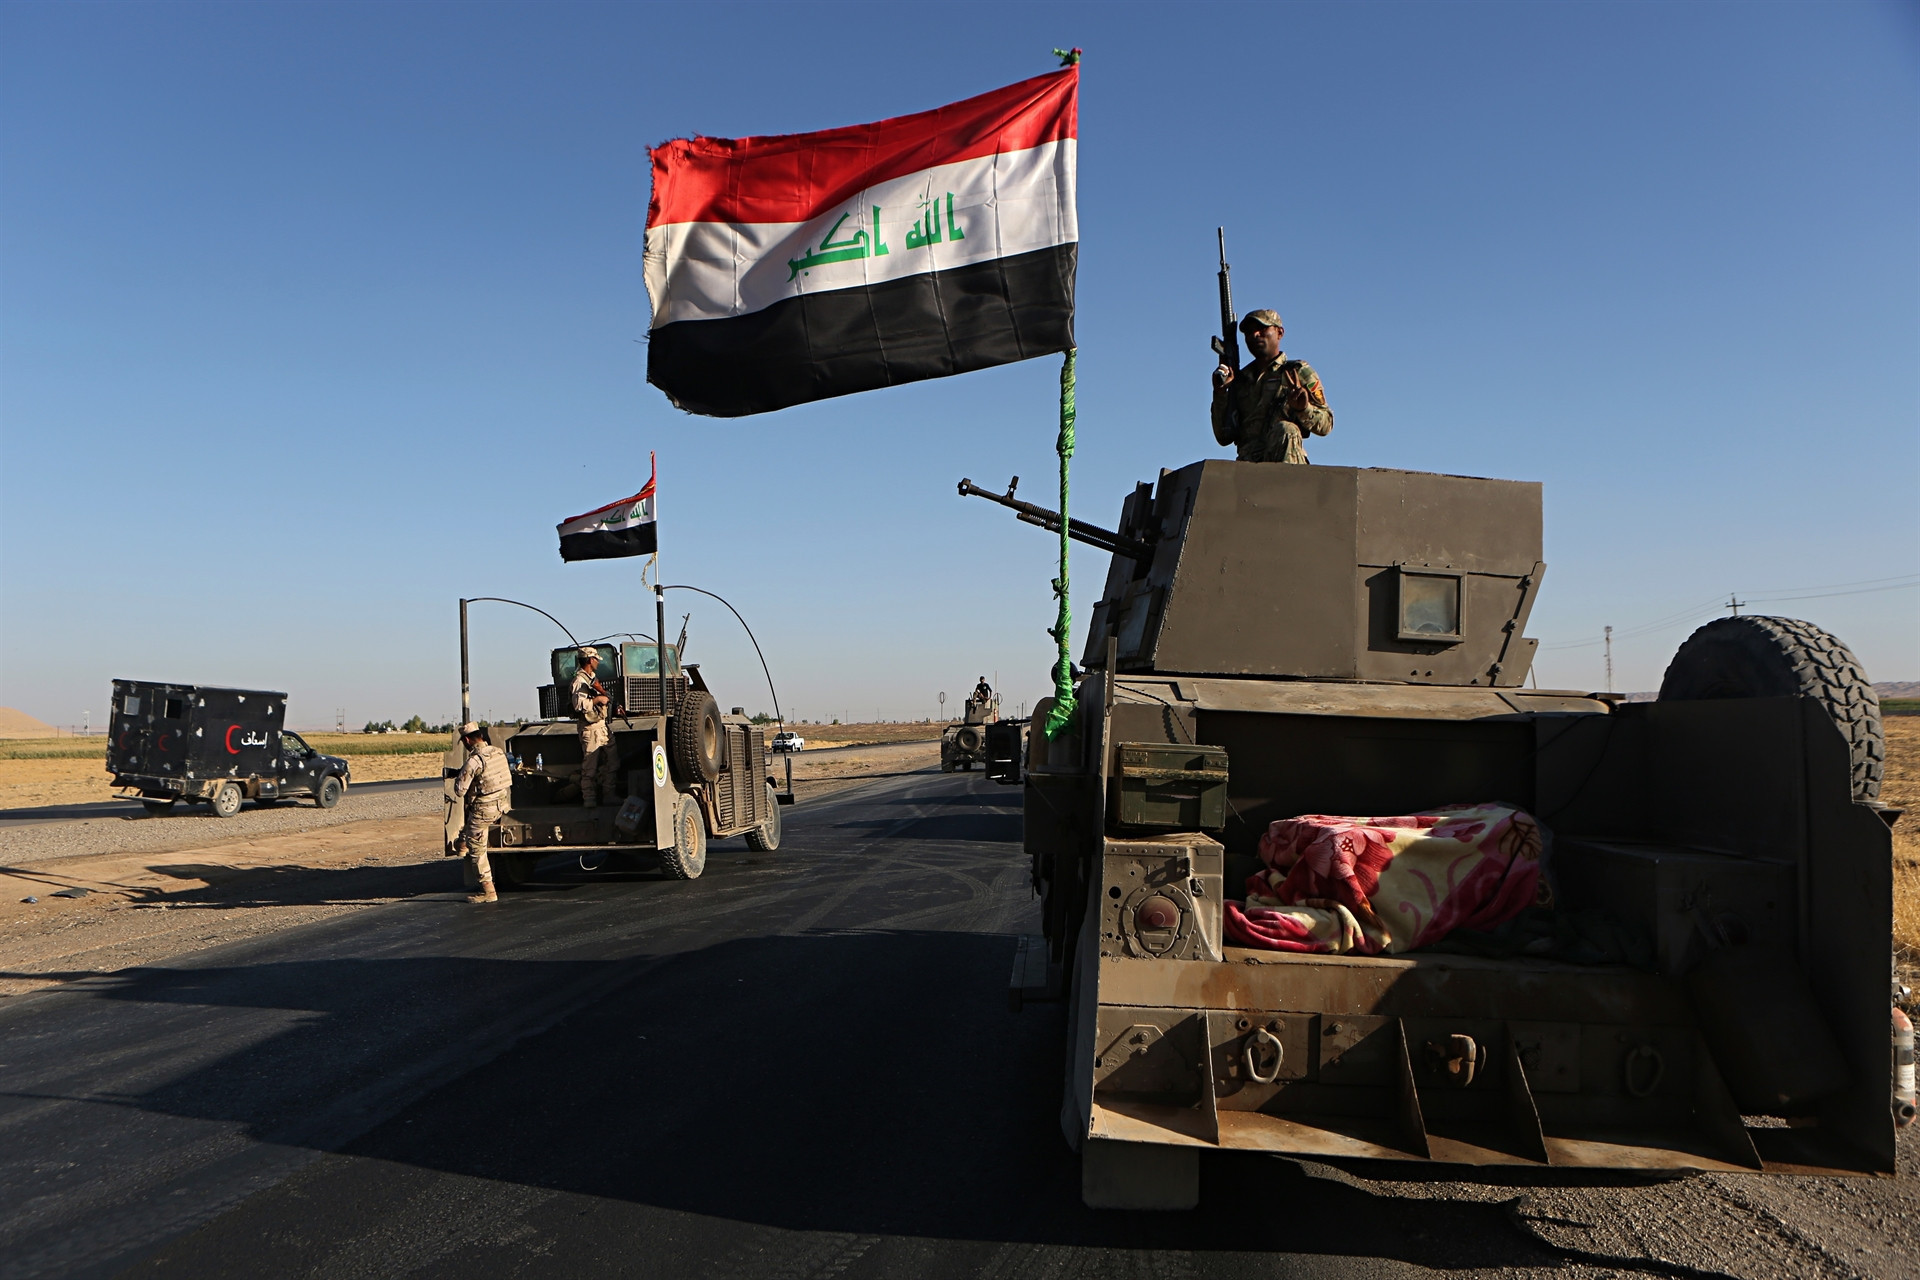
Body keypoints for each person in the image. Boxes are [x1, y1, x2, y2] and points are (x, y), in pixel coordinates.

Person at [1210, 309, 1333, 464]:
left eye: (1262, 329)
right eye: (1249, 332)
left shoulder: (1296, 372)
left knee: (1286, 429)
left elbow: (1326, 424)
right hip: (1248, 465)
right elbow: (1223, 437)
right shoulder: (1240, 380)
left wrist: (1303, 409)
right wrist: (1221, 394)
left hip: (1285, 461)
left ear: (1279, 333)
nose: (1255, 335)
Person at [450, 721, 510, 904]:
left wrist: (461, 775)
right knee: (471, 833)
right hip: (501, 805)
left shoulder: (474, 761)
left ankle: (488, 891)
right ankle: (463, 841)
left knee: (477, 850)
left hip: (483, 810)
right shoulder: (497, 752)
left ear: (467, 740)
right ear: (481, 736)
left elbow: (460, 790)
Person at [571, 648, 615, 807]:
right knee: (590, 767)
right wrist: (597, 700)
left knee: (612, 762)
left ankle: (609, 795)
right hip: (590, 729)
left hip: (601, 726)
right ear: (590, 660)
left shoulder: (591, 679)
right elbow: (578, 705)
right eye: (596, 659)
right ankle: (589, 799)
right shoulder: (579, 681)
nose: (598, 662)